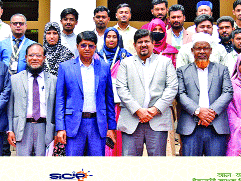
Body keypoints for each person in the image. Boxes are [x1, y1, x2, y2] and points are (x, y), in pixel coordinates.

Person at [115, 29, 178, 156]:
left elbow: (172, 87)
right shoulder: (126, 63)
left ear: (153, 43)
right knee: (130, 163)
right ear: (134, 45)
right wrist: (138, 110)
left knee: (157, 163)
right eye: (140, 42)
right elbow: (121, 88)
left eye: (147, 41)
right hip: (132, 120)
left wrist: (155, 109)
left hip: (157, 119)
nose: (143, 45)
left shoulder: (165, 62)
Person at [55, 32, 117, 156]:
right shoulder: (65, 67)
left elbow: (109, 99)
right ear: (77, 46)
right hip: (73, 124)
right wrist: (60, 127)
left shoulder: (104, 67)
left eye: (91, 46)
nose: (87, 49)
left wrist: (111, 127)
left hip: (97, 124)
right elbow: (60, 99)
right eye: (83, 45)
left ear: (95, 47)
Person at [176, 37, 233, 156]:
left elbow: (228, 92)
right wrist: (198, 111)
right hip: (191, 127)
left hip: (216, 125)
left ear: (210, 50)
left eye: (205, 48)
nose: (202, 51)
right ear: (192, 51)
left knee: (215, 165)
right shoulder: (182, 71)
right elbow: (180, 94)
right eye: (198, 48)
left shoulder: (222, 70)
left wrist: (211, 112)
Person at [7, 44, 56, 156]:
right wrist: (10, 130)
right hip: (22, 127)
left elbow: (56, 108)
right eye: (31, 55)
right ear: (26, 58)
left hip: (45, 128)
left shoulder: (53, 80)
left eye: (38, 55)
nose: (34, 58)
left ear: (44, 58)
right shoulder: (14, 80)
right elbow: (10, 107)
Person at [98, 27, 131, 156]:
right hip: (103, 105)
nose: (111, 39)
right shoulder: (98, 56)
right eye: (108, 36)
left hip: (122, 105)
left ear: (119, 39)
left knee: (121, 137)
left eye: (114, 37)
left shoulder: (125, 56)